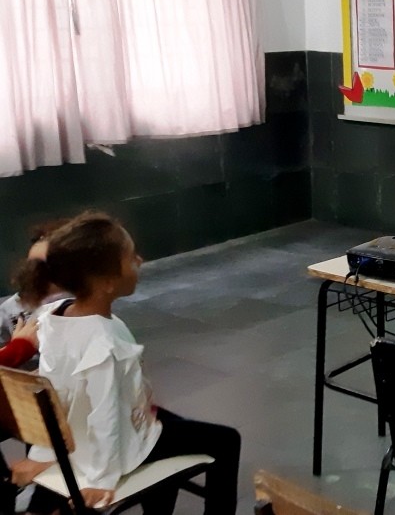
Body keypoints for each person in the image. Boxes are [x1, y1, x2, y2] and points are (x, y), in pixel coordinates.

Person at [8, 212, 240, 514]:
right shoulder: (104, 345)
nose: (140, 261)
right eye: (131, 258)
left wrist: (44, 454)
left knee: (170, 423)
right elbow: (105, 416)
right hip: (115, 446)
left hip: (81, 436)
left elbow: (57, 395)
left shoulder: (52, 316)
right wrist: (102, 480)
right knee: (226, 440)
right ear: (107, 282)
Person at [0, 219, 72, 352]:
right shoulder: (9, 309)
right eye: (33, 265)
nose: (36, 272)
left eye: (49, 265)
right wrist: (17, 348)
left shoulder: (87, 301)